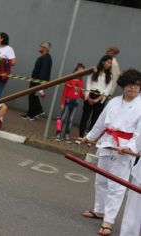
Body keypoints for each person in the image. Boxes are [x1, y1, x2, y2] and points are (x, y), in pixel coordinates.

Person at [81, 69, 141, 236]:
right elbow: (101, 122)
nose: (134, 89)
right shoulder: (114, 102)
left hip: (125, 148)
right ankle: (99, 210)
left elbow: (140, 132)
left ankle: (108, 221)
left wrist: (130, 147)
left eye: (137, 86)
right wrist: (90, 137)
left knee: (117, 185)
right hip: (107, 143)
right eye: (130, 85)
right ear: (123, 86)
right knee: (101, 180)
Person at [77, 55, 113, 140]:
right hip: (90, 94)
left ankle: (89, 138)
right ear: (103, 62)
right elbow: (88, 83)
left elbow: (107, 89)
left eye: (110, 63)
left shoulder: (110, 76)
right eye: (108, 62)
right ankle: (80, 136)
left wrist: (97, 99)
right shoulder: (94, 71)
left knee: (95, 119)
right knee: (85, 117)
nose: (109, 64)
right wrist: (88, 97)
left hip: (100, 98)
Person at [21, 42, 52, 121]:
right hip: (35, 81)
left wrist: (40, 84)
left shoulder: (46, 58)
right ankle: (34, 112)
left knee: (32, 97)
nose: (39, 47)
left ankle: (33, 114)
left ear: (45, 48)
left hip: (37, 82)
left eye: (41, 46)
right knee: (33, 97)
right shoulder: (43, 57)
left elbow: (44, 71)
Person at [55, 63, 85, 143]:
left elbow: (80, 94)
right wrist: (62, 103)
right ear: (75, 71)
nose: (81, 73)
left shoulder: (81, 82)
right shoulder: (70, 79)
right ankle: (58, 133)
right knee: (63, 118)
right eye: (80, 71)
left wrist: (85, 97)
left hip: (76, 102)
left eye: (83, 71)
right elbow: (65, 92)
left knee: (71, 119)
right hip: (68, 101)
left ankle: (67, 134)